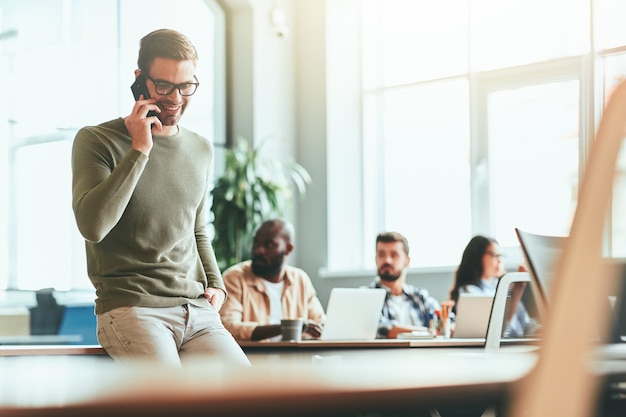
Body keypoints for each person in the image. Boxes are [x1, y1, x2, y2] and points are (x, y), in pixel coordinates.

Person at [71, 29, 250, 367]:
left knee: (255, 399)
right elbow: (93, 226)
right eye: (164, 86)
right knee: (172, 401)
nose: (175, 98)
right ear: (140, 80)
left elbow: (197, 229)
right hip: (132, 307)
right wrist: (139, 150)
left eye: (186, 86)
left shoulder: (200, 148)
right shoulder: (97, 140)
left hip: (197, 310)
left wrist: (217, 284)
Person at [220, 219, 326, 341]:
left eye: (269, 245)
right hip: (252, 357)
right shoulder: (234, 278)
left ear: (288, 249)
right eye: (256, 243)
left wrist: (312, 328)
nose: (259, 250)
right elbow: (228, 327)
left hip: (294, 357)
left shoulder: (300, 280)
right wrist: (287, 328)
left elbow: (319, 324)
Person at [449, 235, 540, 337]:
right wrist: (518, 289)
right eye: (494, 255)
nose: (500, 260)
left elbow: (525, 323)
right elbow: (494, 331)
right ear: (477, 257)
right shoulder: (470, 292)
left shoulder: (505, 287)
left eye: (501, 256)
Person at [368, 231, 441, 339]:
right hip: (383, 356)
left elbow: (443, 323)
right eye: (381, 254)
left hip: (423, 355)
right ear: (376, 259)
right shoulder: (366, 297)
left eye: (394, 255)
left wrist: (443, 327)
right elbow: (382, 329)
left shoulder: (420, 296)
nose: (387, 260)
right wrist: (429, 332)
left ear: (407, 261)